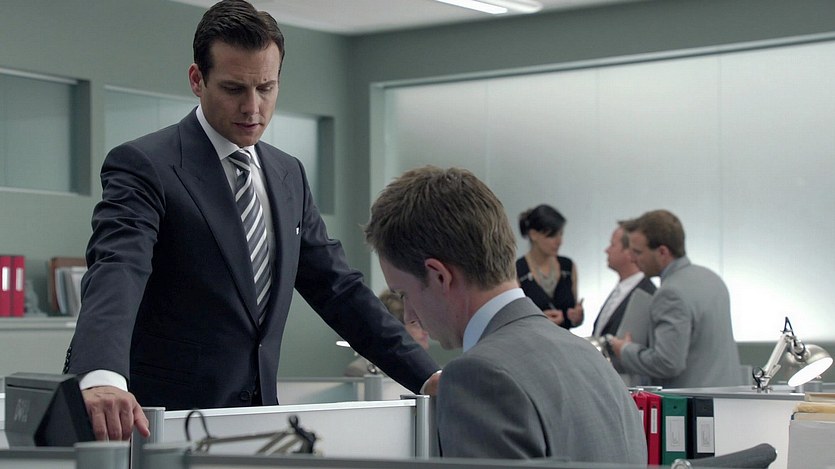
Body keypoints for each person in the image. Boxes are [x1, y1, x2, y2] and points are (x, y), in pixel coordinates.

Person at [63, 0, 438, 441]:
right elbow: (118, 268)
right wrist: (101, 375)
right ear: (197, 80)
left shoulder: (288, 174)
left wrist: (427, 377)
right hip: (161, 427)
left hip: (259, 428)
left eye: (266, 87)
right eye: (234, 88)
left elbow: (338, 289)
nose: (253, 107)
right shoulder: (146, 165)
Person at [364, 166, 646, 462]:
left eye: (404, 294)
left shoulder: (478, 376)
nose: (409, 316)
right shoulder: (591, 359)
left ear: (439, 276)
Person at [609, 209, 743, 388]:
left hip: (692, 401)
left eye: (638, 252)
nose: (632, 259)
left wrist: (625, 350)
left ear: (662, 252)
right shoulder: (712, 278)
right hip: (726, 396)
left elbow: (668, 363)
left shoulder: (670, 293)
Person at [592, 222, 657, 386]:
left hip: (625, 385)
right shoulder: (621, 289)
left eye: (612, 245)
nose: (606, 250)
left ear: (629, 252)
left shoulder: (646, 295)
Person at [516, 204, 584, 329]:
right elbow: (514, 322)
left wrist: (577, 317)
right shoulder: (518, 271)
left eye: (561, 234)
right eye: (552, 235)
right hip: (532, 340)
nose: (559, 241)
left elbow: (573, 313)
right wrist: (539, 322)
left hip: (565, 339)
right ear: (533, 234)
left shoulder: (568, 267)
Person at [344, 289, 430, 377]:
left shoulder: (424, 367)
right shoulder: (359, 370)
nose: (426, 331)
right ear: (395, 327)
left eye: (423, 323)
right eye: (416, 324)